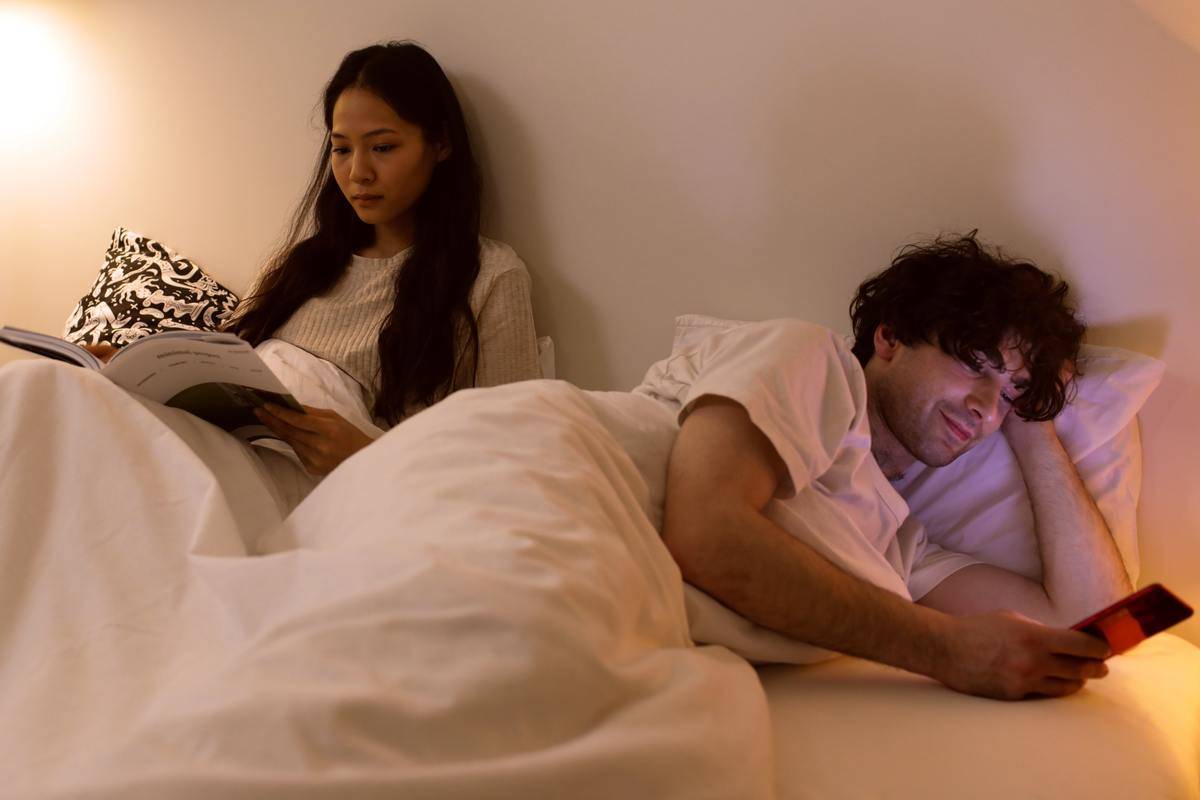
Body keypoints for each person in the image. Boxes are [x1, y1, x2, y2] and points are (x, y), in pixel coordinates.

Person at [658, 232, 1132, 700]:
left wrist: (1032, 426)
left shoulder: (897, 546)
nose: (988, 410)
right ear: (891, 337)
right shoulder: (808, 358)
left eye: (1009, 394)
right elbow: (705, 530)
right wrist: (944, 650)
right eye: (974, 364)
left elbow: (1091, 626)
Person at [89, 41, 543, 477]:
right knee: (50, 388)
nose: (357, 172)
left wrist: (367, 456)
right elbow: (225, 381)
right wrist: (139, 374)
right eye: (341, 149)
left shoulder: (489, 277)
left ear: (440, 145)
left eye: (382, 147)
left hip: (325, 490)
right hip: (230, 459)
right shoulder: (297, 265)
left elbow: (515, 461)